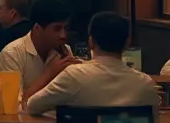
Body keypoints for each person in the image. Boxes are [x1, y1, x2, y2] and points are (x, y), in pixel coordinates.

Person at [26, 12, 160, 115]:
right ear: (127, 43)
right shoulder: (146, 84)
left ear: (91, 42)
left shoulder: (74, 76)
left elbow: (32, 106)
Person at [0, 0, 76, 100]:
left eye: (66, 28)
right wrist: (48, 74)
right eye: (56, 29)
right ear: (37, 28)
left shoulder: (64, 51)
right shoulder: (12, 54)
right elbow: (14, 104)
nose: (63, 35)